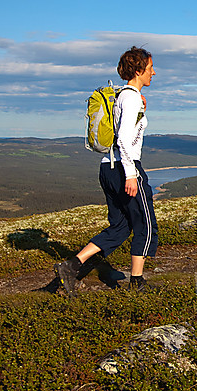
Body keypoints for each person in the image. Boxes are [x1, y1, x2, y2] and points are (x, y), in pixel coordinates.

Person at [55, 46, 158, 295]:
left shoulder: (124, 96)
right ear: (138, 69)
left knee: (120, 227)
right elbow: (124, 138)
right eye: (150, 68)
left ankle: (71, 266)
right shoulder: (131, 97)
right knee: (145, 223)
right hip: (125, 168)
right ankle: (137, 283)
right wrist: (132, 174)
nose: (153, 73)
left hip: (108, 168)